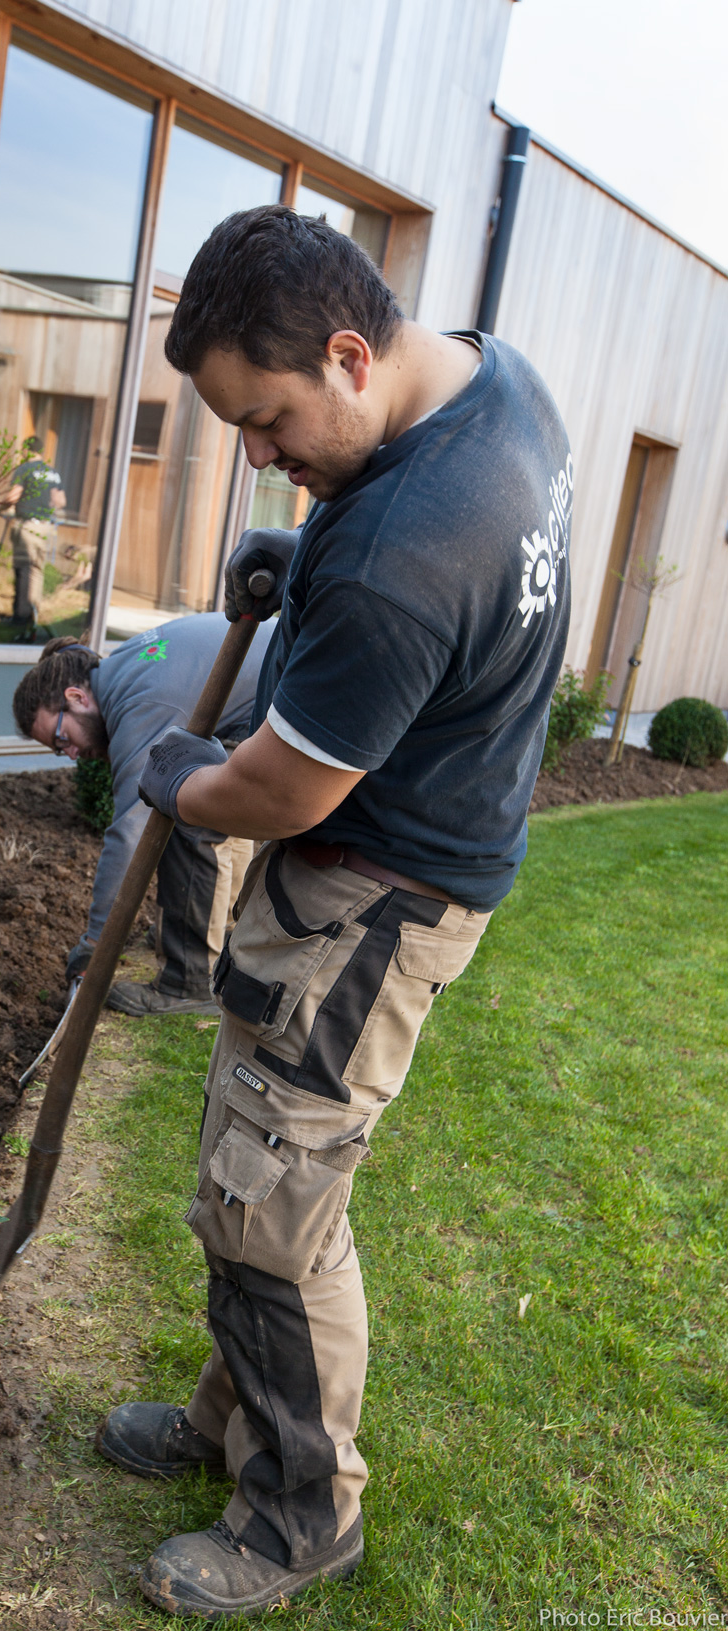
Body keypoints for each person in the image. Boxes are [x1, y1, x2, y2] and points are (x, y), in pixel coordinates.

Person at [96, 204, 572, 1619]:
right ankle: (229, 1418)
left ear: (352, 351)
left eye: (270, 419)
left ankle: (300, 1514)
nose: (259, 451)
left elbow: (281, 793)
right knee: (255, 1166)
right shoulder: (493, 379)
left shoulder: (404, 552)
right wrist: (294, 559)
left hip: (372, 893)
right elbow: (366, 528)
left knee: (271, 1202)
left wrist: (178, 777)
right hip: (417, 846)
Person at [12, 613, 275, 1015]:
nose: (69, 755)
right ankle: (215, 931)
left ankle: (187, 980)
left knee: (187, 816)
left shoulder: (140, 706)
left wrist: (96, 945)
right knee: (212, 806)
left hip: (295, 694)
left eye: (61, 738)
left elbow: (128, 834)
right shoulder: (121, 668)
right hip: (278, 692)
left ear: (77, 698)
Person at [6, 435, 66, 629]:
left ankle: (20, 616)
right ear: (41, 451)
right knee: (37, 570)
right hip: (46, 528)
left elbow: (13, 496)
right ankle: (34, 613)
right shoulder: (52, 473)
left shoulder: (25, 469)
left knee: (23, 568)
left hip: (28, 526)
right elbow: (60, 502)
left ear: (25, 450)